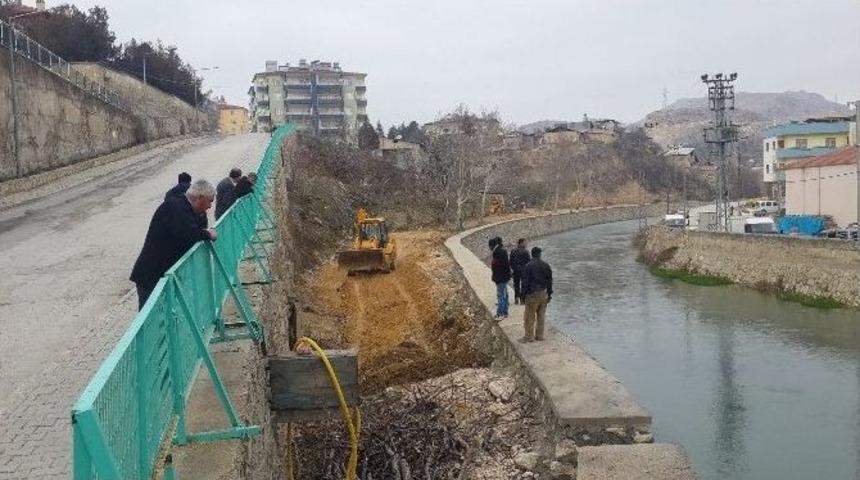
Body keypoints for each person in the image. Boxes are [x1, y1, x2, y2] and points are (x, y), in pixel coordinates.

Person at [130, 180, 218, 310]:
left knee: (164, 315)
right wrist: (208, 235)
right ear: (200, 198)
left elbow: (192, 230)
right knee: (150, 319)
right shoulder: (176, 207)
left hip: (161, 275)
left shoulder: (183, 207)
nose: (210, 206)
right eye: (210, 201)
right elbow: (189, 234)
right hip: (151, 276)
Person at [520, 246, 553, 343]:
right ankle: (540, 336)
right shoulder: (546, 265)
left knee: (529, 316)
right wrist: (549, 294)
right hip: (544, 294)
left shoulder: (528, 266)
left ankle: (529, 337)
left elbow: (525, 282)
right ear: (540, 254)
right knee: (541, 316)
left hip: (532, 294)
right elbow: (550, 281)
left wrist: (523, 295)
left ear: (532, 254)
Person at [489, 236, 511, 318]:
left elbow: (502, 266)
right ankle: (505, 312)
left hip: (501, 278)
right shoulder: (500, 251)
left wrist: (497, 277)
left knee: (501, 295)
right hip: (503, 277)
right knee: (504, 294)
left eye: (489, 246)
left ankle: (500, 313)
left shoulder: (498, 252)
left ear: (492, 246)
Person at [509, 238, 531, 305]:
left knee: (516, 284)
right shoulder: (525, 252)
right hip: (523, 271)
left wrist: (513, 268)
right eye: (525, 242)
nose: (526, 244)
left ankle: (516, 298)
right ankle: (522, 299)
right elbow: (528, 262)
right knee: (523, 285)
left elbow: (510, 261)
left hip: (515, 271)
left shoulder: (513, 251)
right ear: (521, 243)